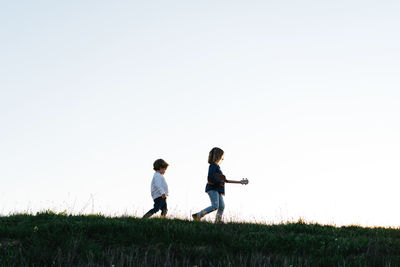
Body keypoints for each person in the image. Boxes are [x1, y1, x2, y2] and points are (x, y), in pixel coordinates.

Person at [192, 147, 227, 223]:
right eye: (222, 157)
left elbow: (220, 179)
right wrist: (219, 182)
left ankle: (218, 221)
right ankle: (198, 215)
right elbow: (211, 176)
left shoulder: (217, 167)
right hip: (212, 188)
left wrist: (222, 189)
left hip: (218, 190)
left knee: (221, 206)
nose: (222, 159)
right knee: (215, 206)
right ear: (217, 157)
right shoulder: (213, 166)